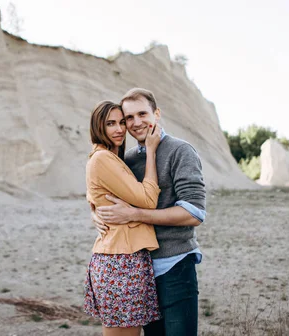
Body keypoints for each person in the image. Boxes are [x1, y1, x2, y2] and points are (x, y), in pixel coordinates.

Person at [93, 88, 206, 336]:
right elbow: (107, 193)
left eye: (142, 114)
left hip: (175, 264)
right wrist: (96, 212)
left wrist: (135, 215)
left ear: (156, 113)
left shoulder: (180, 151)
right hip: (139, 269)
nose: (135, 123)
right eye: (128, 117)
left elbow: (194, 213)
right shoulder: (128, 158)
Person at [83, 100, 165, 336]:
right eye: (110, 124)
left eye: (121, 122)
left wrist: (94, 209)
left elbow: (94, 193)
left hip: (121, 258)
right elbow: (149, 200)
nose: (119, 129)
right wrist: (150, 151)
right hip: (120, 261)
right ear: (98, 126)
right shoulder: (102, 159)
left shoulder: (108, 158)